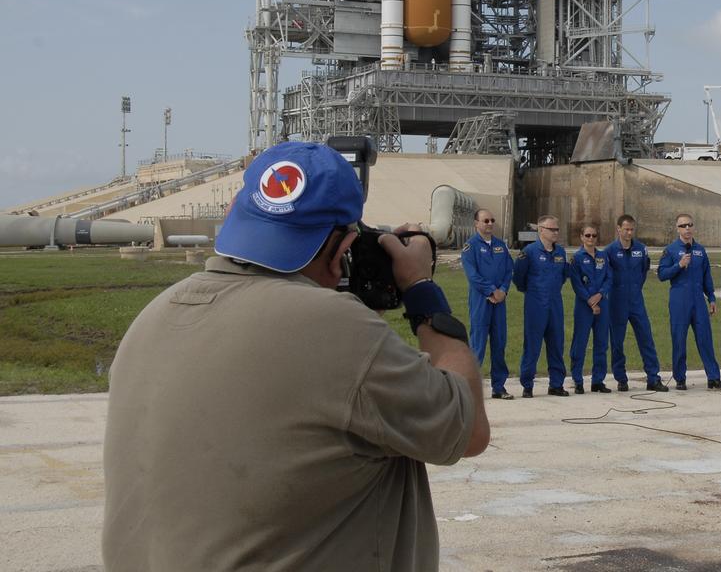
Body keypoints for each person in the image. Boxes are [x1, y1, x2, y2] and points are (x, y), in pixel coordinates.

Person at [103, 141, 489, 572]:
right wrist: (421, 290)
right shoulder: (337, 332)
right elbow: (468, 428)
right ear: (342, 252)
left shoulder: (156, 315)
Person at [657, 213, 721, 391]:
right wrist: (678, 265)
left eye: (689, 225)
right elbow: (661, 274)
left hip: (698, 300)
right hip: (679, 300)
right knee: (679, 339)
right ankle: (680, 378)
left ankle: (713, 378)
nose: (687, 228)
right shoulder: (671, 250)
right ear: (677, 229)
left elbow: (707, 277)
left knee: (705, 339)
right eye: (683, 226)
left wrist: (711, 298)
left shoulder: (700, 250)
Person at [604, 214, 666, 392]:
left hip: (636, 301)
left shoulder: (641, 249)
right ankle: (621, 379)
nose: (629, 233)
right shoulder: (609, 251)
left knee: (646, 339)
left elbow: (643, 271)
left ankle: (653, 378)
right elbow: (607, 276)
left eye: (632, 229)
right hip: (617, 302)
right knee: (617, 342)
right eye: (626, 229)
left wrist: (635, 288)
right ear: (618, 229)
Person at [513, 214, 571, 397]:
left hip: (555, 303)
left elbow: (563, 276)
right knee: (532, 345)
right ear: (540, 230)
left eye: (557, 229)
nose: (555, 232)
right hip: (535, 303)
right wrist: (531, 292)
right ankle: (527, 384)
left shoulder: (560, 252)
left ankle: (556, 384)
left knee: (556, 343)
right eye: (552, 229)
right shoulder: (529, 252)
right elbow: (519, 278)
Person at [461, 208, 515, 399]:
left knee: (499, 343)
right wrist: (492, 290)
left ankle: (499, 387)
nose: (490, 223)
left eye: (492, 220)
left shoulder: (501, 245)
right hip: (481, 301)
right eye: (485, 221)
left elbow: (509, 270)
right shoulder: (470, 247)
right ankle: (471, 388)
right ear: (476, 224)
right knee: (478, 345)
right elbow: (472, 275)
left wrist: (503, 290)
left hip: (499, 301)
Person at [569, 224, 612, 393]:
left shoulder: (603, 256)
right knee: (580, 342)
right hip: (584, 305)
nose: (591, 239)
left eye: (594, 236)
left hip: (602, 303)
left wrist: (600, 295)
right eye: (587, 235)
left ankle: (598, 380)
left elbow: (609, 278)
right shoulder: (577, 258)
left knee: (601, 343)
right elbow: (576, 283)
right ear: (581, 237)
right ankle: (577, 380)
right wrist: (589, 300)